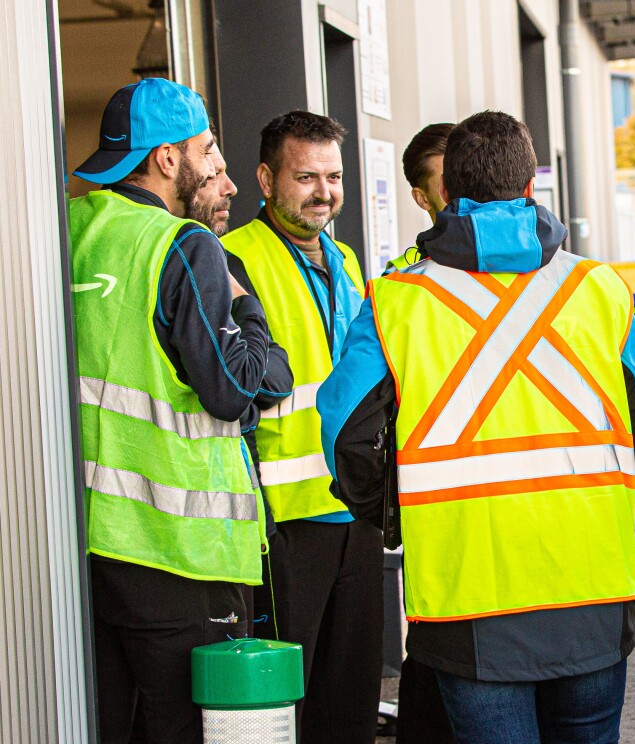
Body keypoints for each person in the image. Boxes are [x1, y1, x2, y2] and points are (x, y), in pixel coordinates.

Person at [318, 110, 635, 744]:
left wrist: (395, 514)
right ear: (531, 190)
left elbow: (348, 433)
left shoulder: (396, 302)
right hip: (592, 584)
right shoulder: (599, 291)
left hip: (466, 598)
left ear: (447, 196)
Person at [69, 77, 277, 743]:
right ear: (166, 159)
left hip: (85, 546)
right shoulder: (182, 246)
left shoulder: (68, 229)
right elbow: (233, 388)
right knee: (187, 728)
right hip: (179, 554)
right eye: (205, 148)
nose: (213, 164)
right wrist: (247, 309)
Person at [222, 111, 378, 743]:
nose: (324, 191)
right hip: (284, 522)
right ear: (266, 178)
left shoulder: (344, 258)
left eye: (334, 176)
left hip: (357, 511)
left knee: (352, 697)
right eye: (305, 176)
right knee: (290, 703)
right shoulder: (234, 257)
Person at [390, 121, 458, 744]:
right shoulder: (399, 283)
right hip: (440, 530)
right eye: (446, 177)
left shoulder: (562, 277)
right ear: (420, 195)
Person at [386, 122, 455, 273]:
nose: (466, 190)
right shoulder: (399, 277)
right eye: (449, 183)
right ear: (422, 199)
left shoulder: (511, 254)